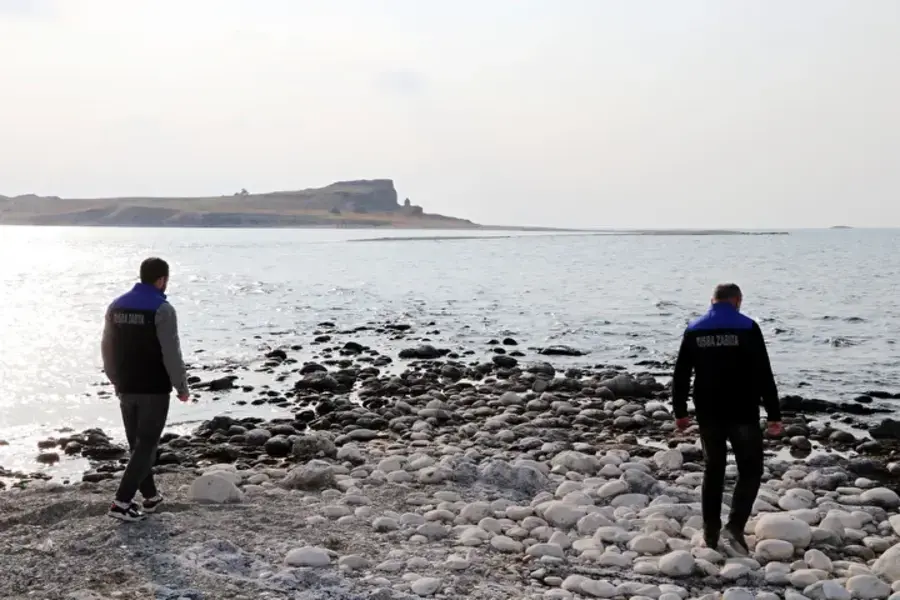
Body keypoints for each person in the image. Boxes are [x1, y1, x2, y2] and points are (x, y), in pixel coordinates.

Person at [672, 283, 783, 555]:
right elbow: (763, 372)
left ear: (713, 301)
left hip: (708, 410)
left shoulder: (694, 328)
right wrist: (774, 415)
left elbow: (681, 373)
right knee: (750, 469)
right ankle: (734, 527)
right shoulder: (748, 327)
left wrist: (680, 411)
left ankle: (710, 530)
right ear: (737, 301)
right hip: (742, 409)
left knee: (714, 468)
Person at [101, 257, 190, 522]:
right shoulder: (163, 309)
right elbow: (171, 352)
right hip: (153, 388)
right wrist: (181, 386)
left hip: (126, 385)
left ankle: (150, 497)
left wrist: (114, 379)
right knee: (147, 445)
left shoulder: (116, 306)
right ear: (161, 280)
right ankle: (121, 502)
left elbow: (106, 346)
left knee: (137, 445)